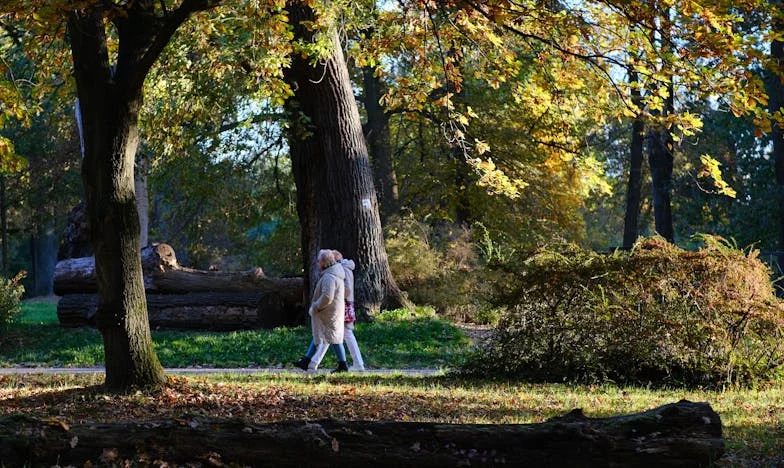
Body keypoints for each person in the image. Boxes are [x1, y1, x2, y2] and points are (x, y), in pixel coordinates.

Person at [293, 249, 349, 372]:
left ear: (324, 261)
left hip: (328, 313)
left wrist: (316, 306)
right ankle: (307, 360)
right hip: (331, 312)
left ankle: (343, 365)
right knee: (321, 335)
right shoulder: (333, 274)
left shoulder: (329, 277)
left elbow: (327, 296)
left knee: (334, 339)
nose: (318, 263)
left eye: (319, 261)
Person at [333, 250, 365, 371]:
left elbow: (347, 289)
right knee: (344, 334)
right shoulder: (346, 267)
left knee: (346, 333)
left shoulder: (343, 268)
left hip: (344, 304)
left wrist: (337, 298)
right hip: (346, 304)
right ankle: (357, 363)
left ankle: (358, 363)